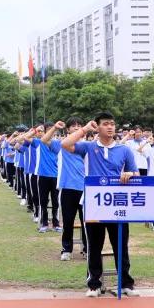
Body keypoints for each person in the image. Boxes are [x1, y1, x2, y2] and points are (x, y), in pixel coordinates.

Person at [61, 112, 139, 297]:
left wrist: (129, 175)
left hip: (117, 205)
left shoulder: (124, 150)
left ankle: (126, 282)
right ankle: (94, 284)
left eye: (112, 124)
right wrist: (85, 129)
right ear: (98, 127)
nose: (110, 127)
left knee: (120, 244)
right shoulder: (88, 147)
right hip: (94, 204)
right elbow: (65, 144)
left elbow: (135, 173)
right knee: (94, 246)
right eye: (105, 124)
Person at [46, 119, 89, 259]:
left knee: (87, 221)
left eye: (79, 126)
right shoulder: (61, 145)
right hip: (67, 187)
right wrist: (54, 128)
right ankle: (66, 249)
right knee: (68, 220)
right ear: (68, 130)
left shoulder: (87, 146)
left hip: (86, 188)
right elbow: (44, 140)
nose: (76, 128)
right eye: (73, 126)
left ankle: (87, 249)